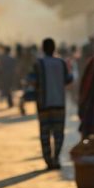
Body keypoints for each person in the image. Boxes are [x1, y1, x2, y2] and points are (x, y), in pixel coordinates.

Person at [31, 38, 74, 170]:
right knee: (58, 134)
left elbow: (32, 81)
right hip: (59, 103)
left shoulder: (38, 64)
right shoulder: (61, 63)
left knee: (45, 134)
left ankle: (48, 160)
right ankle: (56, 159)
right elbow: (69, 79)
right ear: (54, 48)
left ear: (43, 49)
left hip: (43, 104)